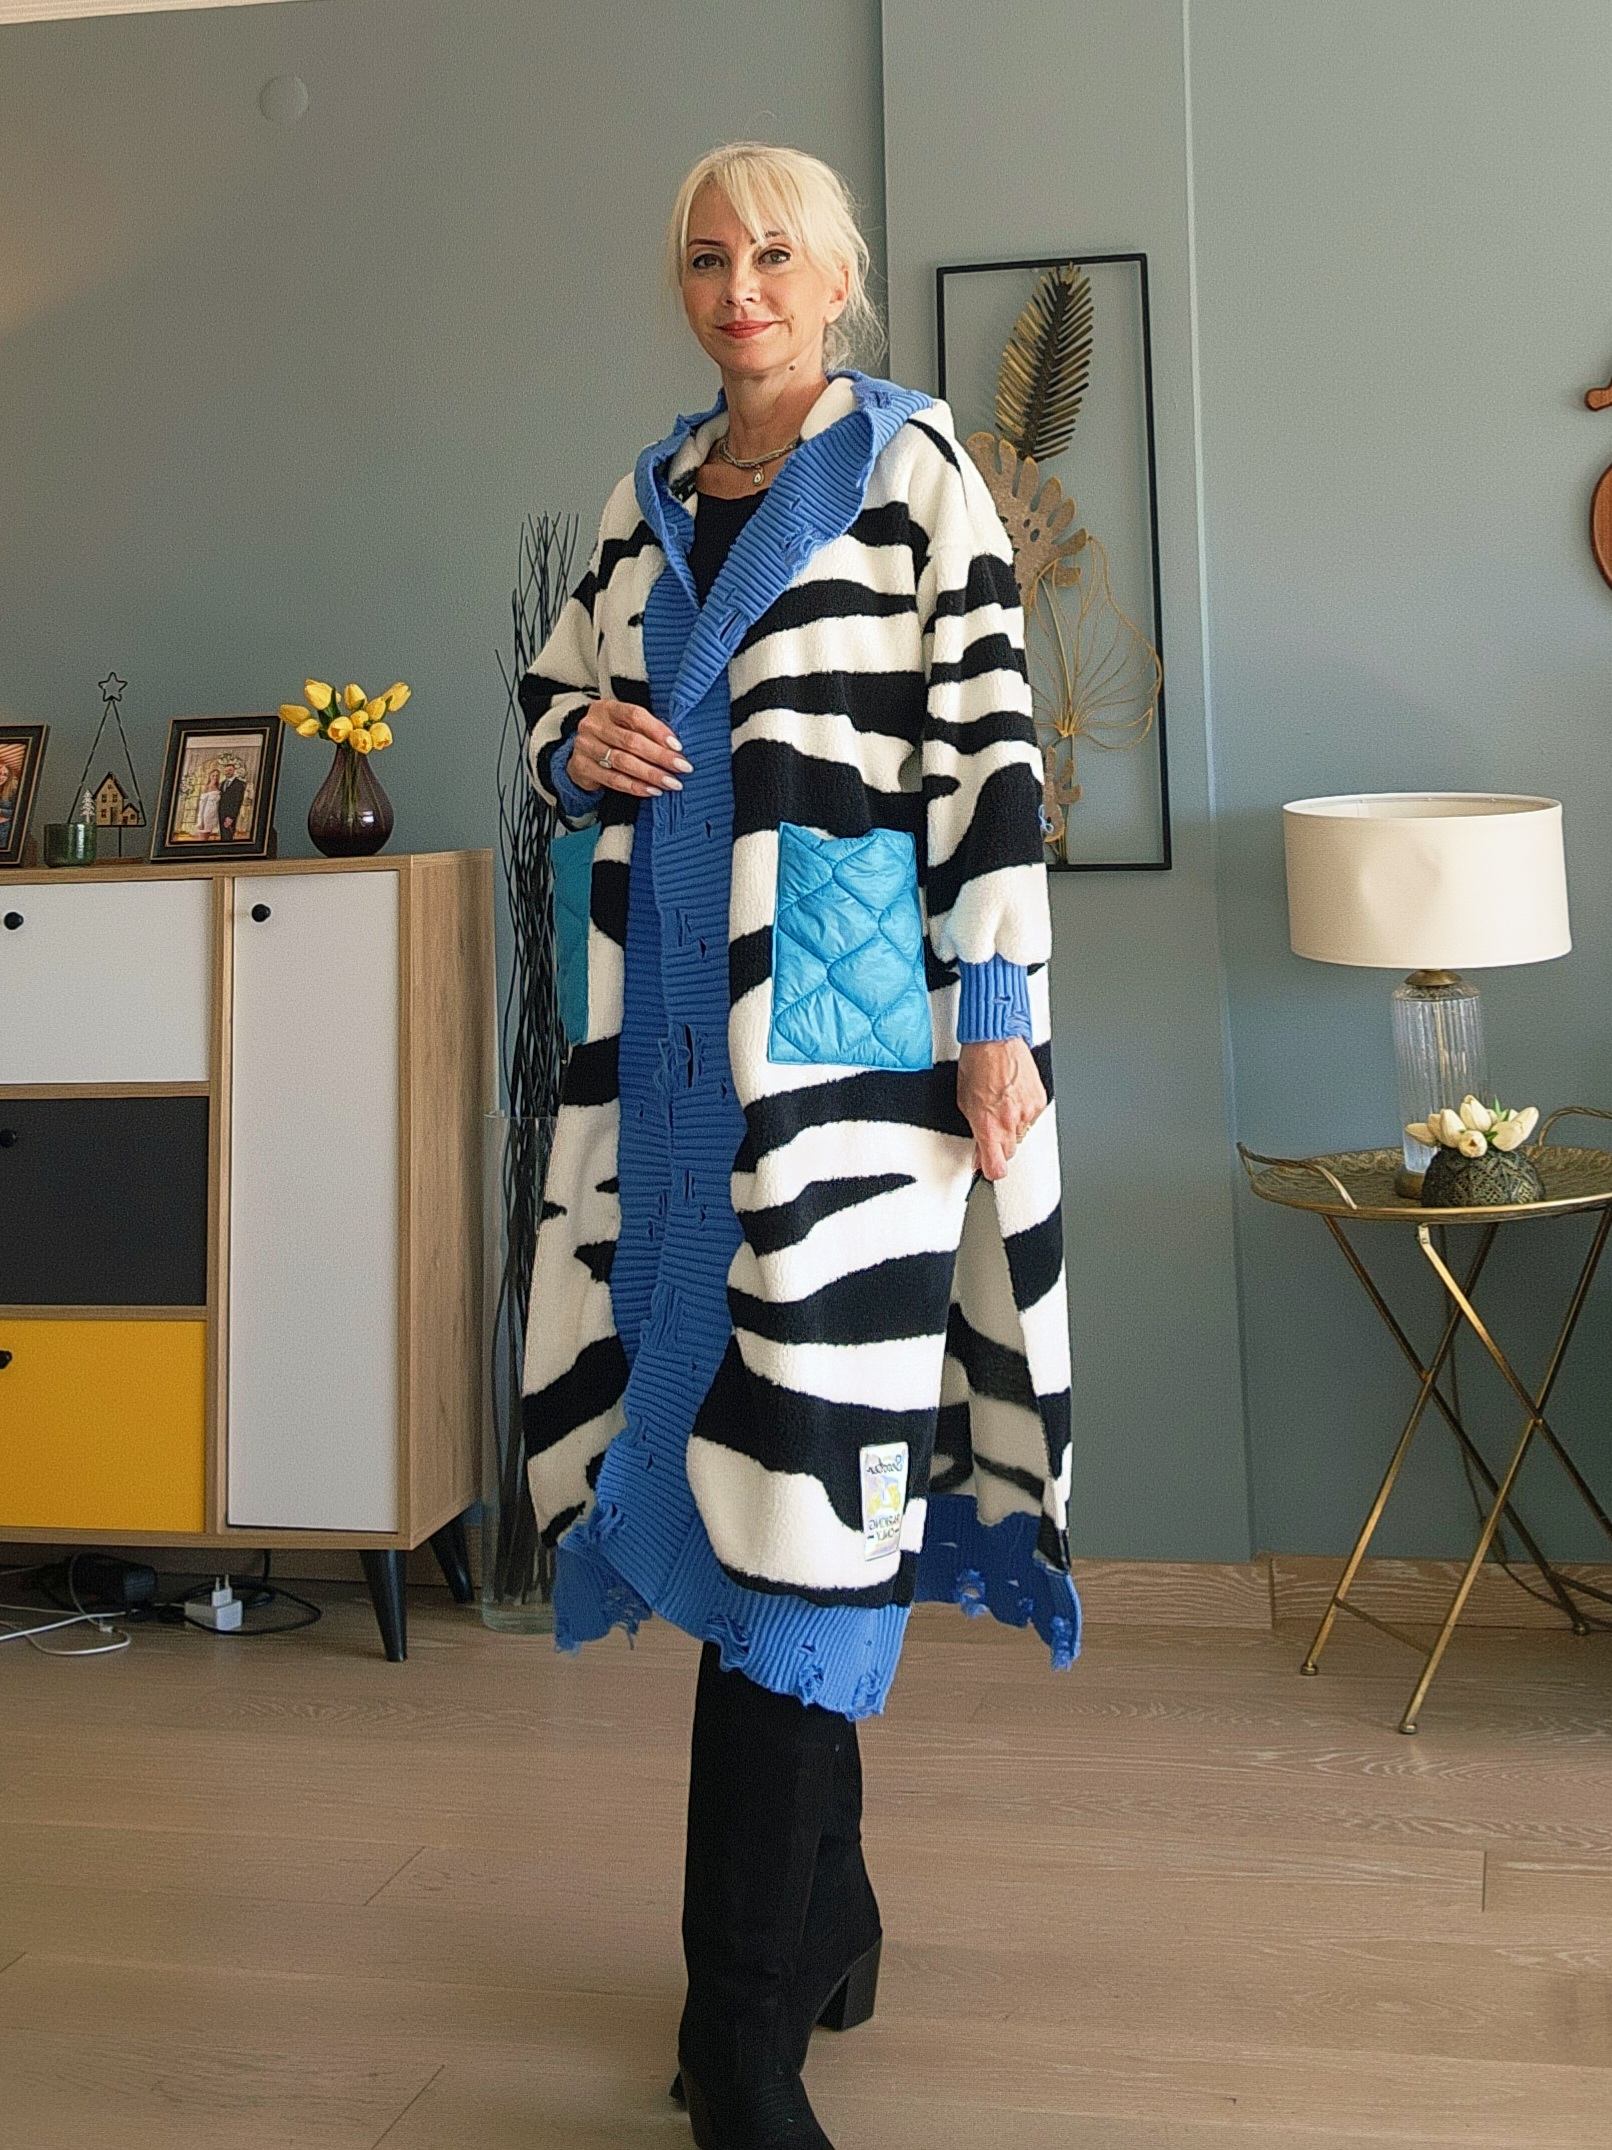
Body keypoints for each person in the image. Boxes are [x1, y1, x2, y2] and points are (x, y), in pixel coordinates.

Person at [520, 142, 1078, 2150]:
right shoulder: (641, 497)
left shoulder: (916, 472)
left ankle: (736, 2038)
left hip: (853, 1074)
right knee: (757, 1489)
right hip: (669, 1073)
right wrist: (572, 747)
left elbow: (989, 748)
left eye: (771, 252)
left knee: (810, 1505)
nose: (736, 285)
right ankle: (825, 1915)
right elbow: (555, 710)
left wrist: (996, 1010)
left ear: (836, 276)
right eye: (705, 257)